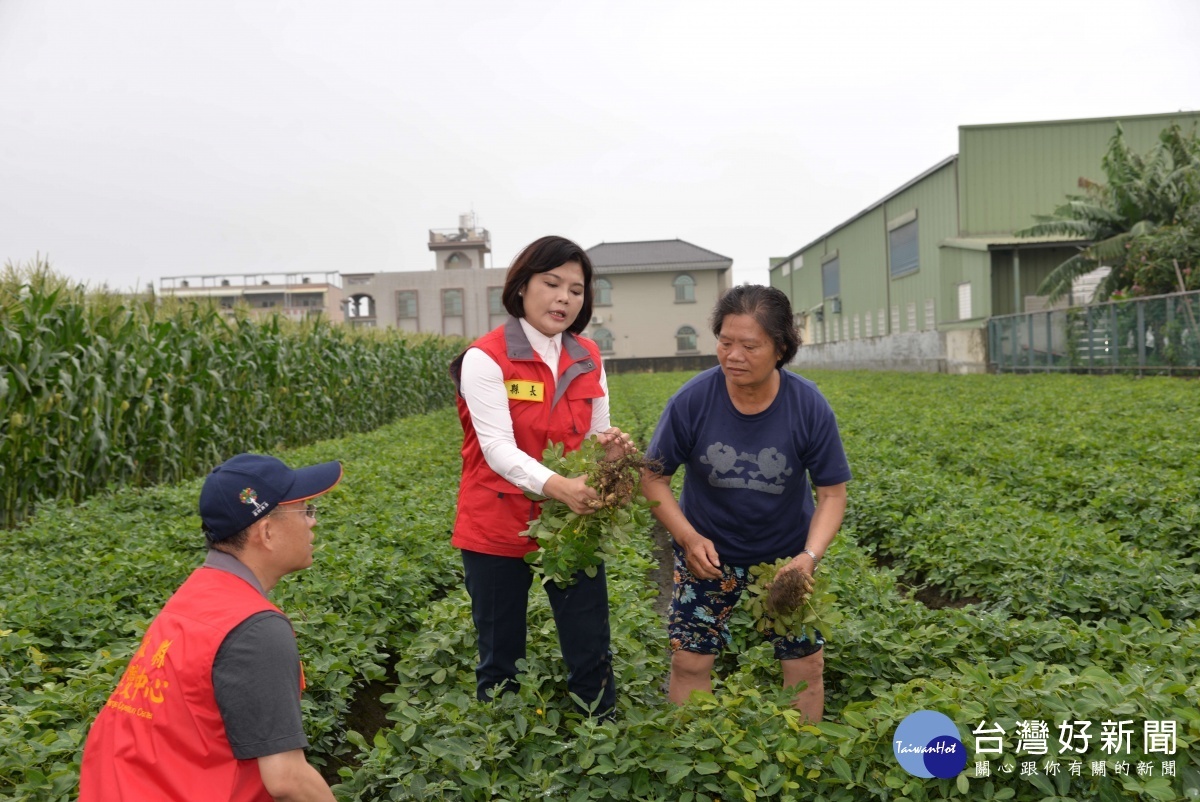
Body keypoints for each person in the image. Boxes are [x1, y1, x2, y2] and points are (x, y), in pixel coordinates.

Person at [78, 453, 343, 802]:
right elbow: (287, 778)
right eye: (305, 510)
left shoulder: (196, 593)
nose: (313, 522)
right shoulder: (256, 628)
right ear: (266, 532)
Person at [641, 285, 851, 721]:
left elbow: (831, 494)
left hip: (785, 562)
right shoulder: (692, 401)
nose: (733, 355)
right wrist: (687, 538)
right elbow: (654, 478)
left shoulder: (808, 405)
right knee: (689, 661)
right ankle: (694, 754)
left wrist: (807, 559)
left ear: (781, 348)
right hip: (708, 558)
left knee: (804, 665)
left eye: (749, 345)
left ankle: (802, 759)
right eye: (725, 342)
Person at [448, 234, 635, 717]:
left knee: (589, 641)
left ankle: (600, 730)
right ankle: (501, 743)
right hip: (496, 521)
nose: (564, 298)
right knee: (500, 651)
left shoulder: (588, 355)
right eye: (552, 283)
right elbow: (496, 448)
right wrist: (560, 487)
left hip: (569, 525)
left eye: (576, 289)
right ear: (522, 287)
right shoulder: (486, 357)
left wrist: (611, 458)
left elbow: (596, 435)